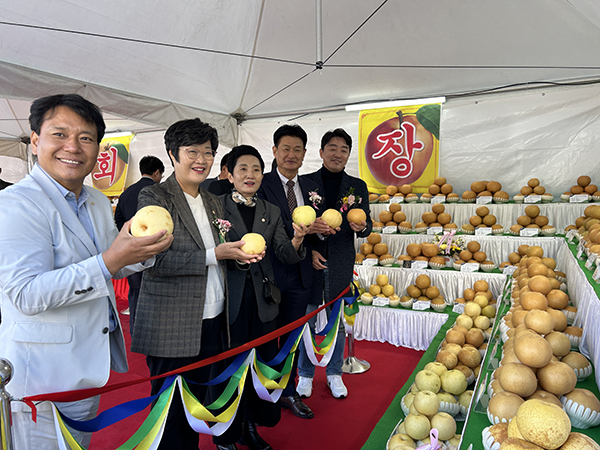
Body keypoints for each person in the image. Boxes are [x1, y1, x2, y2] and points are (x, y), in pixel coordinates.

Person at [0, 93, 173, 449]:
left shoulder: (94, 199)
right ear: (35, 141)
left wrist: (145, 251)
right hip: (41, 381)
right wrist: (110, 261)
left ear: (98, 148)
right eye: (59, 134)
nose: (73, 147)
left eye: (86, 138)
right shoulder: (16, 204)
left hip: (88, 367)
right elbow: (26, 294)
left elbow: (113, 257)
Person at [131, 118, 261, 450]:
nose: (201, 159)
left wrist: (236, 256)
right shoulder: (155, 196)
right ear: (173, 154)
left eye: (208, 152)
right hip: (171, 324)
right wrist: (213, 254)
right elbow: (154, 261)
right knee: (171, 412)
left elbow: (218, 253)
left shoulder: (214, 199)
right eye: (192, 151)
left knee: (201, 398)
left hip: (213, 318)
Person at [219, 145, 308, 450]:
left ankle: (249, 426)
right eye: (242, 169)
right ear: (229, 175)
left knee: (259, 367)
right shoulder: (215, 208)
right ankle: (225, 435)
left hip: (263, 303)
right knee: (229, 369)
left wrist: (297, 238)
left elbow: (284, 252)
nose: (250, 175)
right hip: (228, 303)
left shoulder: (270, 211)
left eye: (256, 169)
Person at [257, 124, 331, 420]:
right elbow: (262, 226)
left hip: (300, 275)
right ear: (274, 151)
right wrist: (300, 233)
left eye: (297, 150)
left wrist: (317, 239)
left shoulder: (311, 187)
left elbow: (314, 232)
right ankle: (263, 393)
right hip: (269, 274)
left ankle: (288, 391)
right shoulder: (261, 183)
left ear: (304, 154)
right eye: (285, 148)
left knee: (292, 337)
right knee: (265, 337)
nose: (291, 155)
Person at [298, 128, 372, 399]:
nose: (337, 154)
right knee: (307, 317)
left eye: (343, 149)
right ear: (321, 152)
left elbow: (367, 225)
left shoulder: (357, 186)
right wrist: (307, 250)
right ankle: (304, 374)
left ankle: (334, 373)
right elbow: (295, 223)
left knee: (338, 320)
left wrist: (362, 226)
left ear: (348, 154)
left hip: (340, 261)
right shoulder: (305, 183)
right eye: (332, 148)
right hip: (310, 261)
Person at [113, 155, 165, 332]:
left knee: (135, 290)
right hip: (157, 249)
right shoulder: (159, 191)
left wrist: (129, 235)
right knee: (156, 291)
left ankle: (136, 329)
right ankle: (154, 330)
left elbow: (118, 218)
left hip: (131, 249)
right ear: (157, 173)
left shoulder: (126, 192)